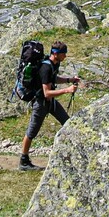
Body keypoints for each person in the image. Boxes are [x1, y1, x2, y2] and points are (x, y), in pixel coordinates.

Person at [19, 41, 81, 171]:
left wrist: (69, 80)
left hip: (50, 102)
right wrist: (67, 90)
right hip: (41, 103)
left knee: (67, 122)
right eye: (64, 54)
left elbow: (53, 79)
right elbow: (46, 93)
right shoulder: (45, 68)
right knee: (32, 132)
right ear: (56, 54)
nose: (65, 56)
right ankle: (23, 161)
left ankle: (76, 153)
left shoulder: (55, 63)